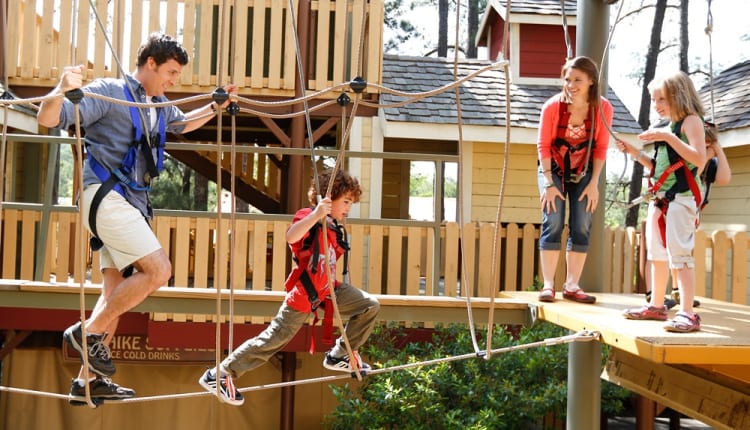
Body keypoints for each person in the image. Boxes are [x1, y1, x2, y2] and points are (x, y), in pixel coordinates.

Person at [37, 32, 237, 404]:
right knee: (159, 270)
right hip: (106, 197)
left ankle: (87, 381)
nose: (174, 81)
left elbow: (183, 123)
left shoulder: (156, 103)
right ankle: (87, 333)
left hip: (131, 204)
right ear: (150, 64)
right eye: (171, 72)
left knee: (115, 293)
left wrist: (215, 106)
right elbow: (49, 117)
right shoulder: (109, 92)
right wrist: (61, 87)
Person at [198, 168, 380, 406]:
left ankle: (340, 355)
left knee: (369, 305)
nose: (348, 208)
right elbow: (292, 237)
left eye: (351, 203)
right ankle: (220, 374)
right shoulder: (310, 217)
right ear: (328, 198)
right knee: (272, 340)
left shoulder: (334, 227)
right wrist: (316, 214)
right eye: (345, 201)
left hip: (328, 291)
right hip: (305, 296)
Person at [617, 70, 720, 333]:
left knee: (681, 255)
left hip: (682, 199)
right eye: (654, 100)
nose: (657, 105)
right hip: (661, 198)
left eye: (662, 99)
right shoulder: (667, 129)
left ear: (679, 96)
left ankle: (687, 311)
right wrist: (636, 154)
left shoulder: (691, 123)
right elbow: (660, 166)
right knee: (657, 255)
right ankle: (656, 304)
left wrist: (667, 137)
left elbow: (698, 159)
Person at [536, 56, 613, 304]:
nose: (571, 85)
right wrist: (548, 183)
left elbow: (601, 147)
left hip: (585, 170)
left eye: (578, 80)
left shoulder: (602, 108)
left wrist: (594, 184)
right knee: (554, 219)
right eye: (568, 79)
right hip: (553, 169)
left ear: (591, 81)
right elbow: (544, 145)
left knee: (581, 223)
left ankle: (572, 285)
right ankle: (549, 285)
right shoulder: (552, 107)